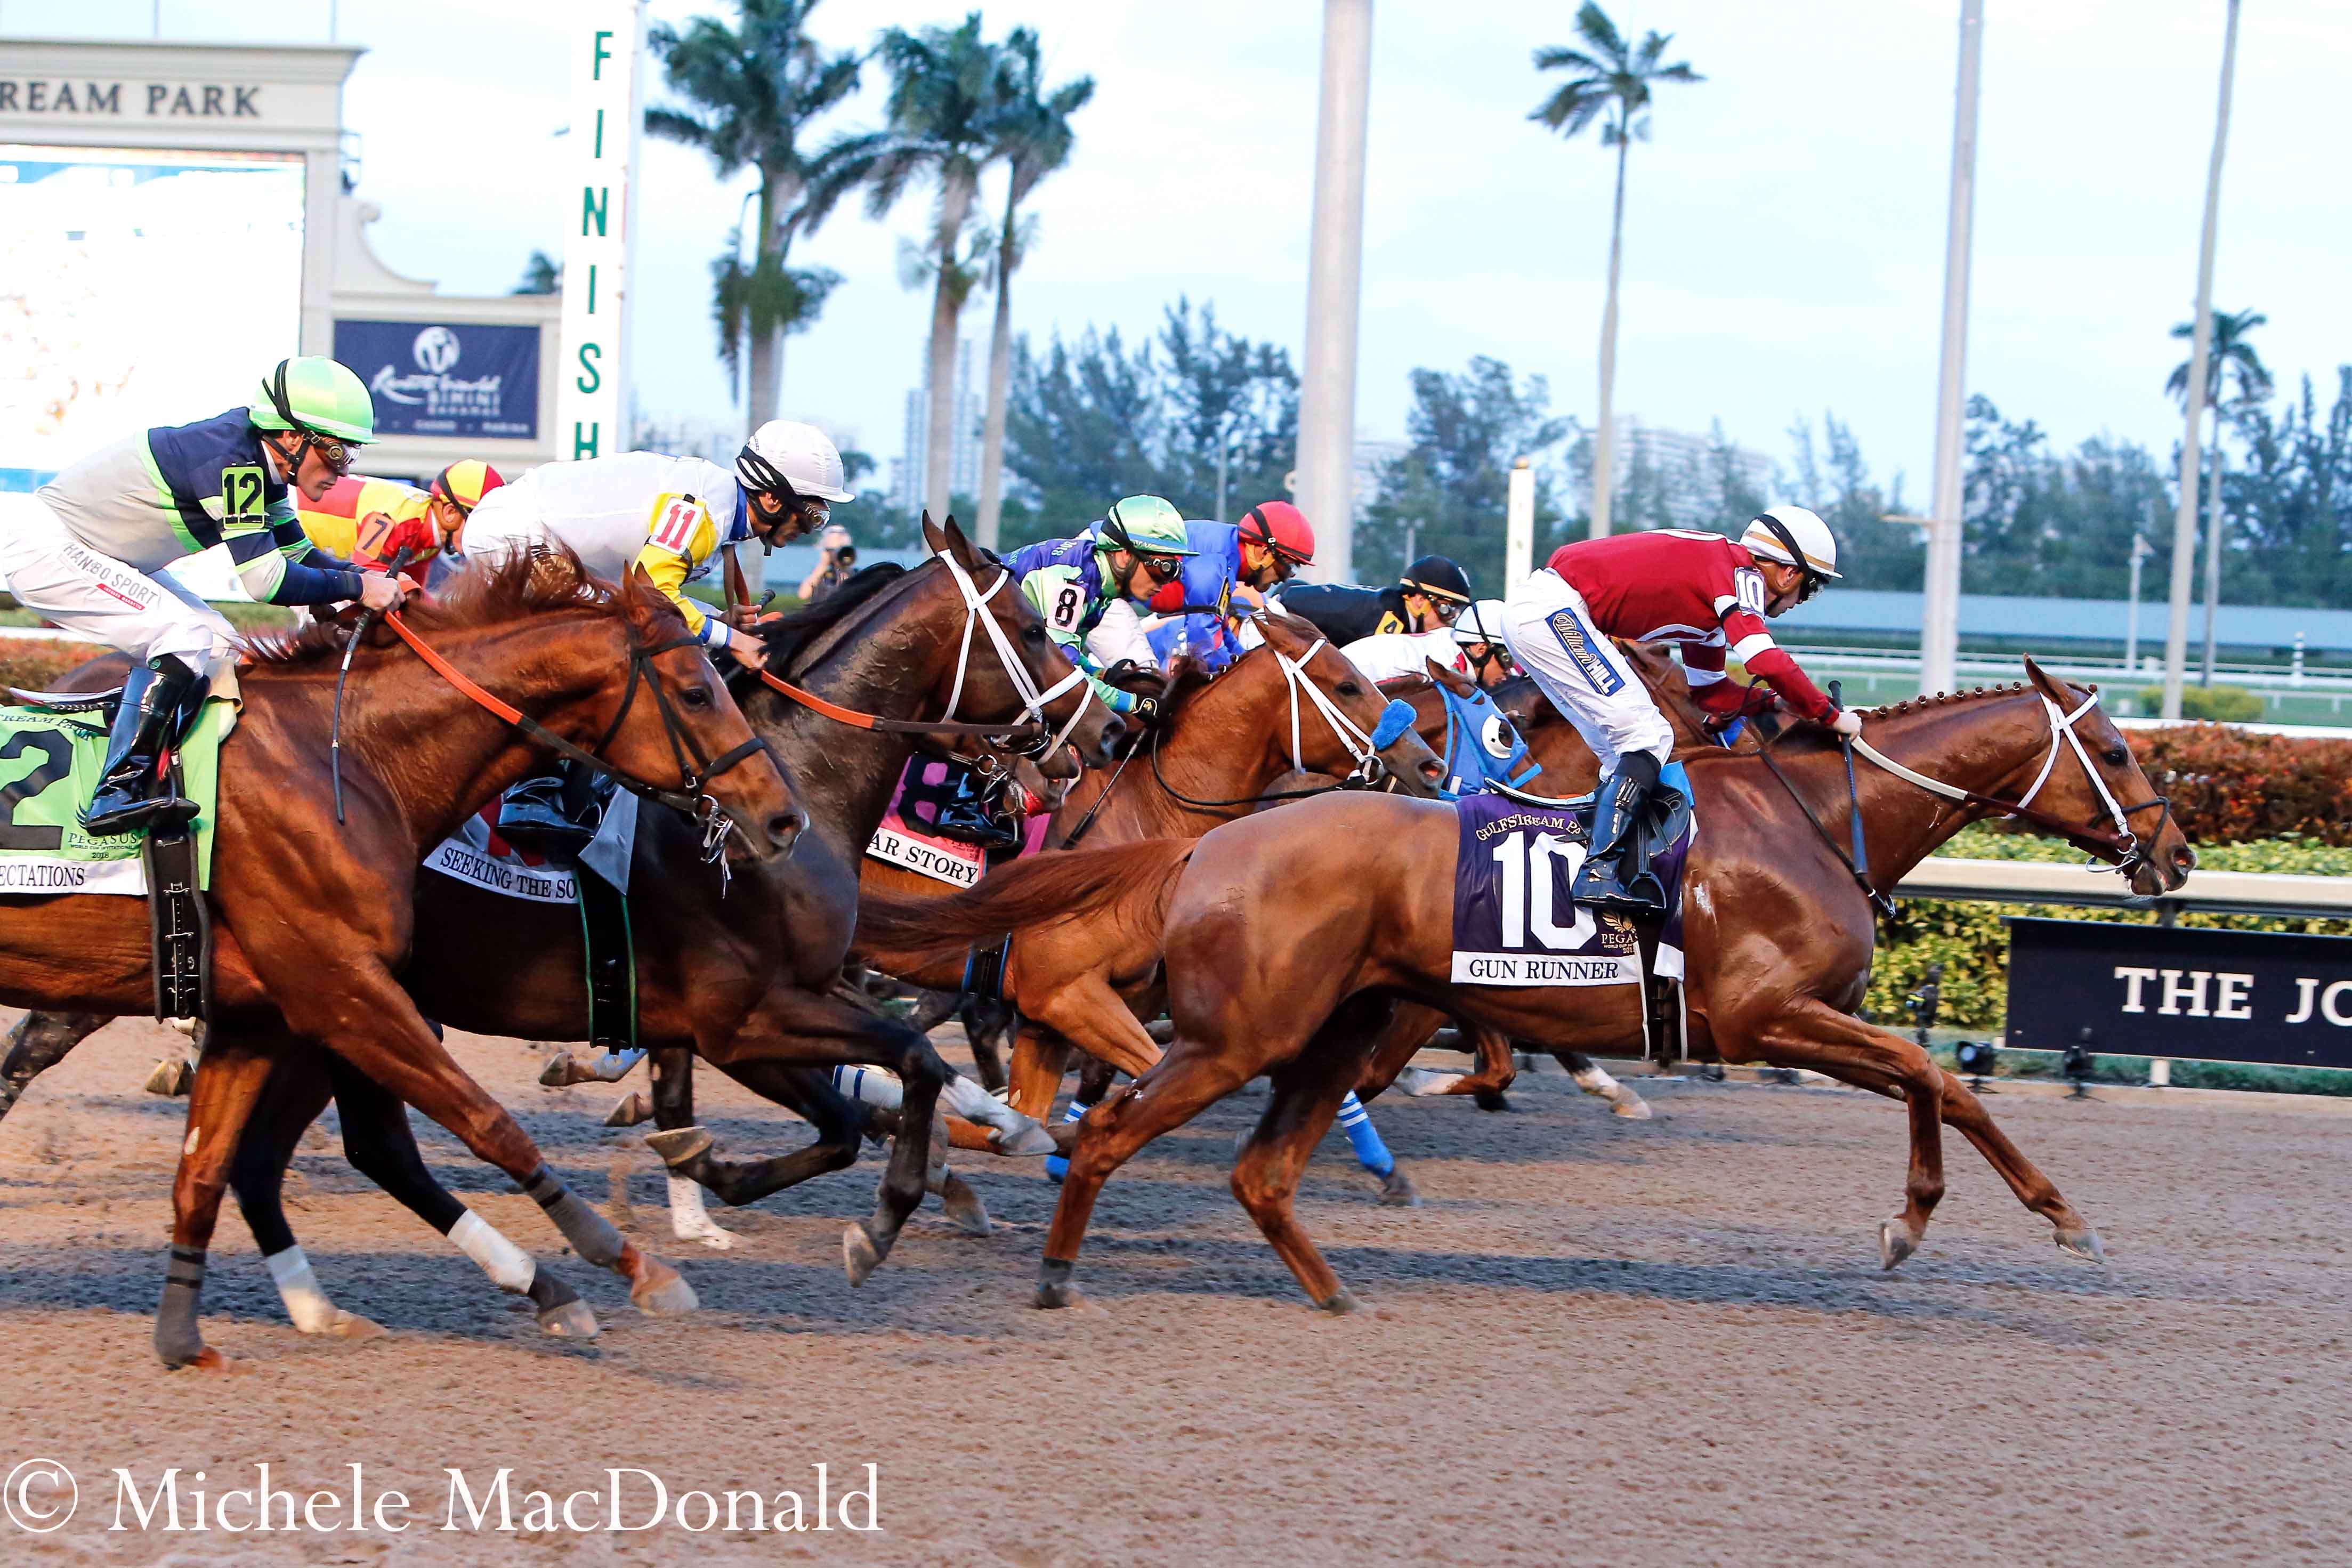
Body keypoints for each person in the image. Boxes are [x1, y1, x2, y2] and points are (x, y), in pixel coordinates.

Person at [6, 356, 407, 834]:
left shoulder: (264, 463)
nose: (343, 470)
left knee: (222, 648)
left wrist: (369, 581)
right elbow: (268, 582)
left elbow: (300, 554)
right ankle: (116, 791)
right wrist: (361, 586)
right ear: (293, 438)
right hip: (50, 547)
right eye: (339, 453)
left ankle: (162, 765)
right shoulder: (233, 462)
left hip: (103, 553)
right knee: (184, 637)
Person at [458, 419, 853, 851]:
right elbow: (650, 595)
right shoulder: (706, 511)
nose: (811, 527)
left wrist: (715, 617)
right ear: (773, 498)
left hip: (549, 542)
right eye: (813, 513)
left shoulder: (718, 509)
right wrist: (730, 638)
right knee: (616, 637)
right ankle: (530, 794)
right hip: (513, 533)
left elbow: (653, 595)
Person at [1499, 507, 1856, 911]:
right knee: (1647, 735)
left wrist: (1777, 703)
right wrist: (1828, 716)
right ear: (1788, 573)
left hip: (1542, 614)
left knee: (1622, 751)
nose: (1802, 600)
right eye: (1810, 588)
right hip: (1554, 612)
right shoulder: (1740, 577)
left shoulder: (1712, 603)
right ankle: (1598, 872)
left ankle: (1597, 853)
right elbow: (1766, 662)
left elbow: (1711, 693)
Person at [1000, 495, 1198, 723]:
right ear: (1125, 555)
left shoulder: (1100, 584)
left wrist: (1098, 672)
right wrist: (1135, 704)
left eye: (1175, 571)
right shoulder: (1075, 582)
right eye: (1162, 568)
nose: (1165, 583)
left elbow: (1059, 650)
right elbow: (1064, 677)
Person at [1145, 500, 1318, 672]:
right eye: (1289, 567)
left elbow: (1221, 629)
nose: (1285, 579)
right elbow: (1204, 643)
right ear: (1265, 552)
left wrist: (1249, 664)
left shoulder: (1228, 557)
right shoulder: (1217, 562)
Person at [297, 460, 504, 587]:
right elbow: (365, 573)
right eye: (481, 522)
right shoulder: (400, 520)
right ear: (450, 512)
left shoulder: (430, 539)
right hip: (289, 521)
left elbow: (414, 592)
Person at [1277, 553, 1472, 645]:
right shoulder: (1390, 622)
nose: (1449, 623)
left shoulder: (1397, 610)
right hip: (1282, 618)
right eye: (1446, 610)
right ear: (1420, 601)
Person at [798, 523, 855, 601]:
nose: (836, 554)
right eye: (831, 550)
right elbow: (803, 595)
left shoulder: (853, 574)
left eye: (840, 550)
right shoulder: (820, 573)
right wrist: (823, 565)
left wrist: (844, 568)